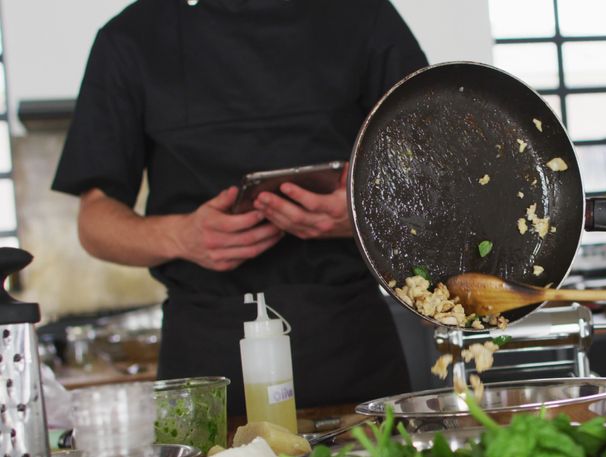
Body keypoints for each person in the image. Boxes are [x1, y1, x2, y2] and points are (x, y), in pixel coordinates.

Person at [52, 0, 428, 415]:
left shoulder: (365, 16)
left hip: (349, 345)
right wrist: (182, 236)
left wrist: (362, 214)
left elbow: (438, 187)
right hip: (205, 361)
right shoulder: (130, 38)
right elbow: (94, 221)